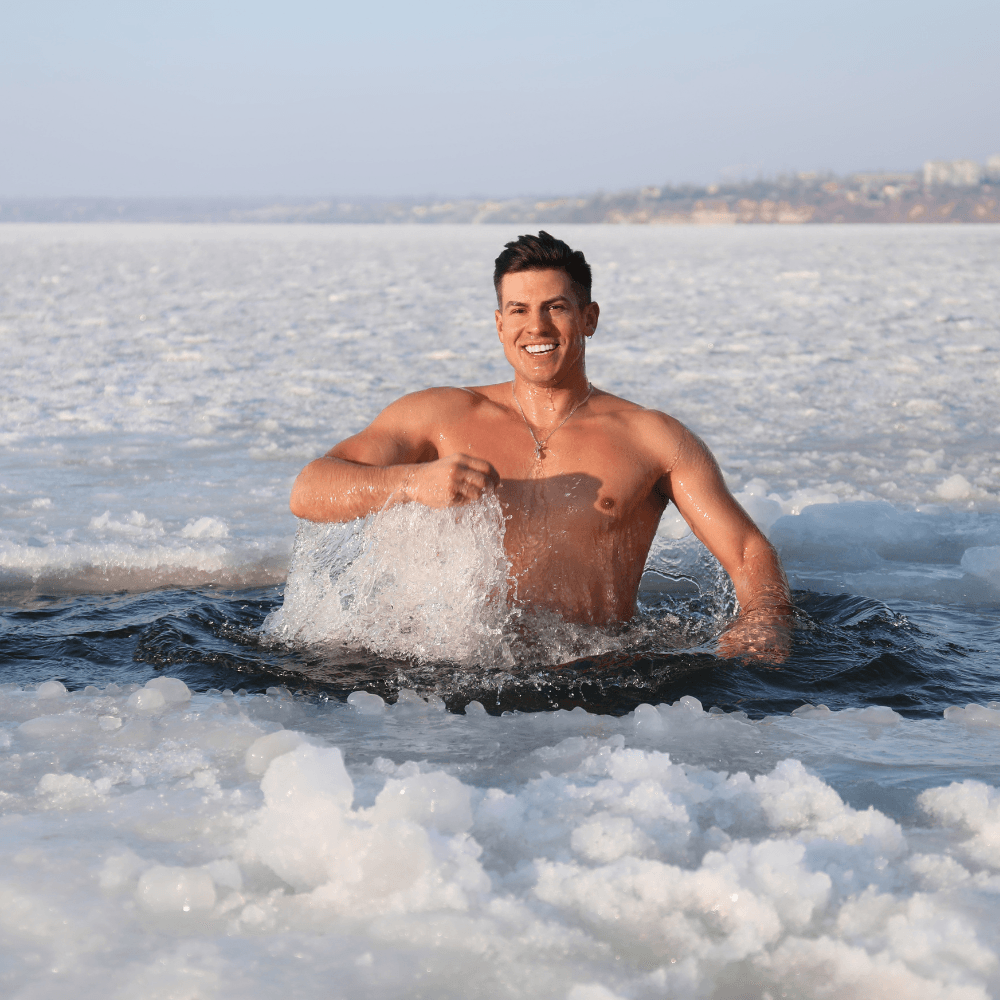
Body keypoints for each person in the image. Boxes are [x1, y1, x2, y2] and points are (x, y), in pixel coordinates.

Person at [290, 231, 792, 661]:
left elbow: (747, 550)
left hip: (591, 674)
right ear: (500, 324)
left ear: (589, 318)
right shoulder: (437, 416)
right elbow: (310, 491)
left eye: (556, 307)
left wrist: (764, 619)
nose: (537, 327)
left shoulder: (652, 437)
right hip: (445, 669)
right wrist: (411, 481)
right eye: (520, 310)